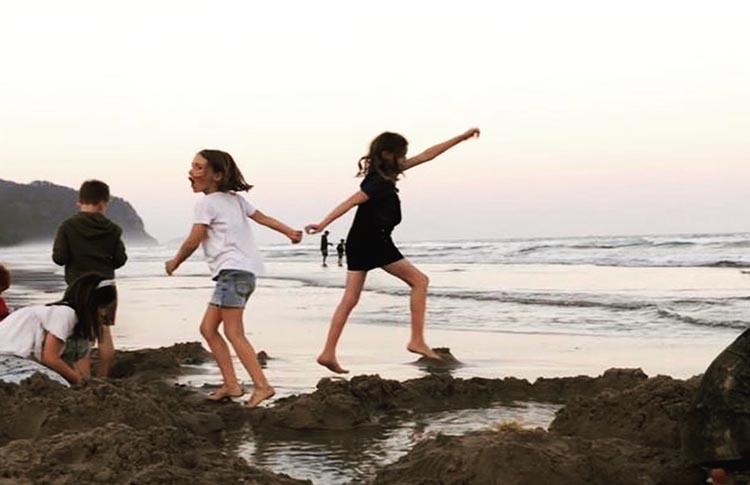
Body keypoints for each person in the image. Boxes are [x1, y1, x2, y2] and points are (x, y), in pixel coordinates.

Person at [305, 128, 480, 373]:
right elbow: (350, 202)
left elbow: (427, 155)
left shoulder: (385, 175)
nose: (405, 159)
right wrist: (322, 224)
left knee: (350, 299)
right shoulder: (377, 182)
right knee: (420, 281)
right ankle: (416, 340)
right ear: (388, 155)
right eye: (401, 155)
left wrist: (460, 138)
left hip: (361, 241)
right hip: (374, 242)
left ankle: (327, 353)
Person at [165, 149, 303, 407]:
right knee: (208, 329)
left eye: (198, 168)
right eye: (192, 166)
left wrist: (175, 261)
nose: (191, 172)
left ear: (216, 175)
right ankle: (231, 384)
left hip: (233, 273)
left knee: (233, 332)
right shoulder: (235, 200)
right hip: (241, 273)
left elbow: (194, 239)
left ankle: (262, 386)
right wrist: (289, 232)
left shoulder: (206, 203)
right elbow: (262, 218)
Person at [52, 180, 126, 377]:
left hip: (79, 289)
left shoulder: (68, 226)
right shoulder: (113, 229)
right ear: (104, 202)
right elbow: (120, 260)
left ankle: (84, 379)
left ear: (80, 202)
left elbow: (59, 258)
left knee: (80, 335)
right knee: (104, 332)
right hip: (106, 287)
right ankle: (103, 377)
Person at [0, 273, 115, 386]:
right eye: (103, 307)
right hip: (7, 357)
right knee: (57, 383)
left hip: (11, 357)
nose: (103, 313)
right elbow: (50, 358)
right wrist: (79, 381)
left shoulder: (55, 311)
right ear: (92, 304)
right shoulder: (66, 314)